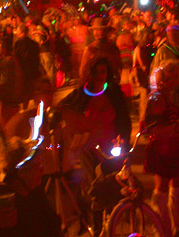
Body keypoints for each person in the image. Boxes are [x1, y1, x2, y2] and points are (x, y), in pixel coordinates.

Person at [58, 57, 131, 237]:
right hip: (89, 149)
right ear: (90, 73)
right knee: (95, 188)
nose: (100, 76)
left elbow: (124, 119)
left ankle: (113, 224)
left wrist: (124, 142)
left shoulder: (114, 93)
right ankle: (97, 228)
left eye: (103, 72)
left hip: (111, 147)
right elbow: (63, 109)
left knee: (114, 185)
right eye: (97, 72)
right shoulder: (81, 94)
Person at [143, 59, 179, 237]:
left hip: (172, 146)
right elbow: (150, 127)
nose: (177, 81)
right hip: (162, 147)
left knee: (178, 185)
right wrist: (171, 128)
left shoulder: (167, 95)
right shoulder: (157, 97)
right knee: (162, 189)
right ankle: (161, 229)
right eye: (174, 77)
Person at [80, 17, 122, 84]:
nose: (100, 32)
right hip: (94, 86)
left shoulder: (113, 48)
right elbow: (83, 71)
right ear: (93, 32)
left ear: (107, 32)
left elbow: (118, 67)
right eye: (97, 30)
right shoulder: (89, 50)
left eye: (103, 30)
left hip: (110, 84)